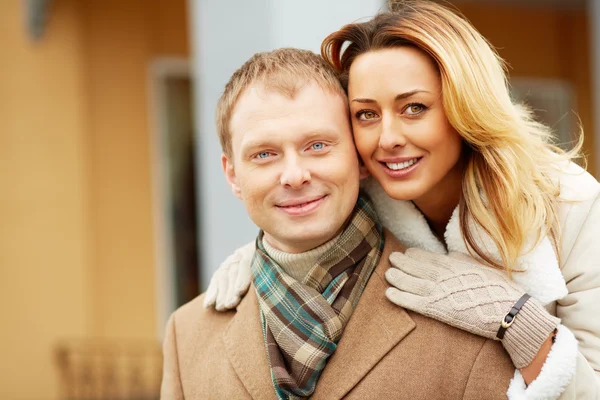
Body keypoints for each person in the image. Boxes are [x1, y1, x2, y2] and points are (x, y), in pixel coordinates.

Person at [203, 1, 600, 398]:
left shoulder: (571, 206)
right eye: (366, 114)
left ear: (465, 107)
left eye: (414, 108)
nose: (388, 138)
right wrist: (260, 259)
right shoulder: (367, 194)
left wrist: (517, 320)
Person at [160, 47, 520, 400]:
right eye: (265, 154)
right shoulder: (187, 334)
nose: (294, 175)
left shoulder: (467, 317)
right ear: (233, 175)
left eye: (317, 145)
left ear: (360, 158)